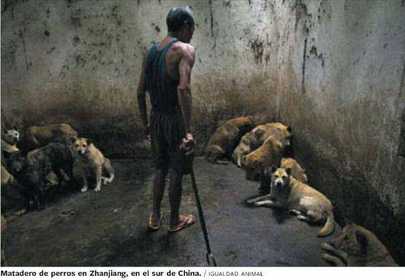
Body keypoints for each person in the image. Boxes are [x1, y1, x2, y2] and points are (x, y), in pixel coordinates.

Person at [137, 6, 196, 232]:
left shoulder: (150, 51)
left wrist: (145, 124)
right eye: (192, 28)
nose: (192, 34)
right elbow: (183, 89)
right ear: (185, 26)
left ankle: (154, 216)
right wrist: (188, 130)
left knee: (160, 167)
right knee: (176, 170)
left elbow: (140, 92)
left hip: (156, 117)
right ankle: (173, 220)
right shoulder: (184, 50)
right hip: (173, 118)